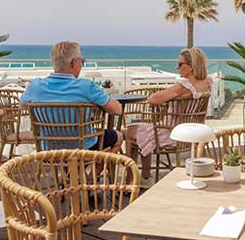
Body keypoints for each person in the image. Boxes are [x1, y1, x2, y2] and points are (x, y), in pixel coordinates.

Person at [126, 47, 212, 180]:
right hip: (190, 132)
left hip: (170, 132)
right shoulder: (206, 83)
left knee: (130, 132)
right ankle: (145, 176)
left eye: (180, 64)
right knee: (144, 130)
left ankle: (133, 180)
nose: (177, 68)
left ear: (190, 66)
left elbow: (152, 99)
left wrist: (170, 95)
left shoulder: (183, 85)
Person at [21, 41, 123, 152]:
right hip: (83, 148)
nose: (81, 65)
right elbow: (117, 110)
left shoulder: (35, 86)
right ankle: (95, 166)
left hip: (48, 151)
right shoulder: (86, 86)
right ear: (74, 63)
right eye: (82, 61)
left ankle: (75, 168)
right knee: (119, 136)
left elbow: (22, 106)